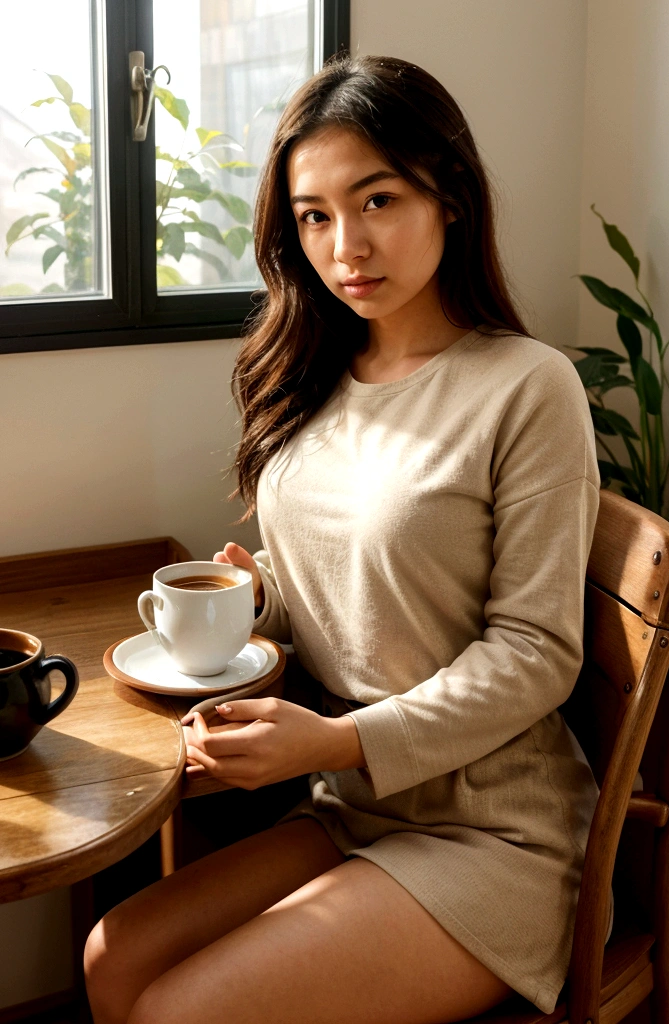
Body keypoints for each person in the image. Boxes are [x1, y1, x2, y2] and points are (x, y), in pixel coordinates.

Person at [84, 54, 601, 1024]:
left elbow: (537, 653)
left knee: (175, 1011)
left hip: (493, 831)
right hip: (357, 804)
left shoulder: (528, 387)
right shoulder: (319, 375)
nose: (344, 245)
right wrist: (264, 592)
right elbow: (364, 561)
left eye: (376, 200)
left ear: (449, 194)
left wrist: (339, 737)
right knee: (113, 960)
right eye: (314, 216)